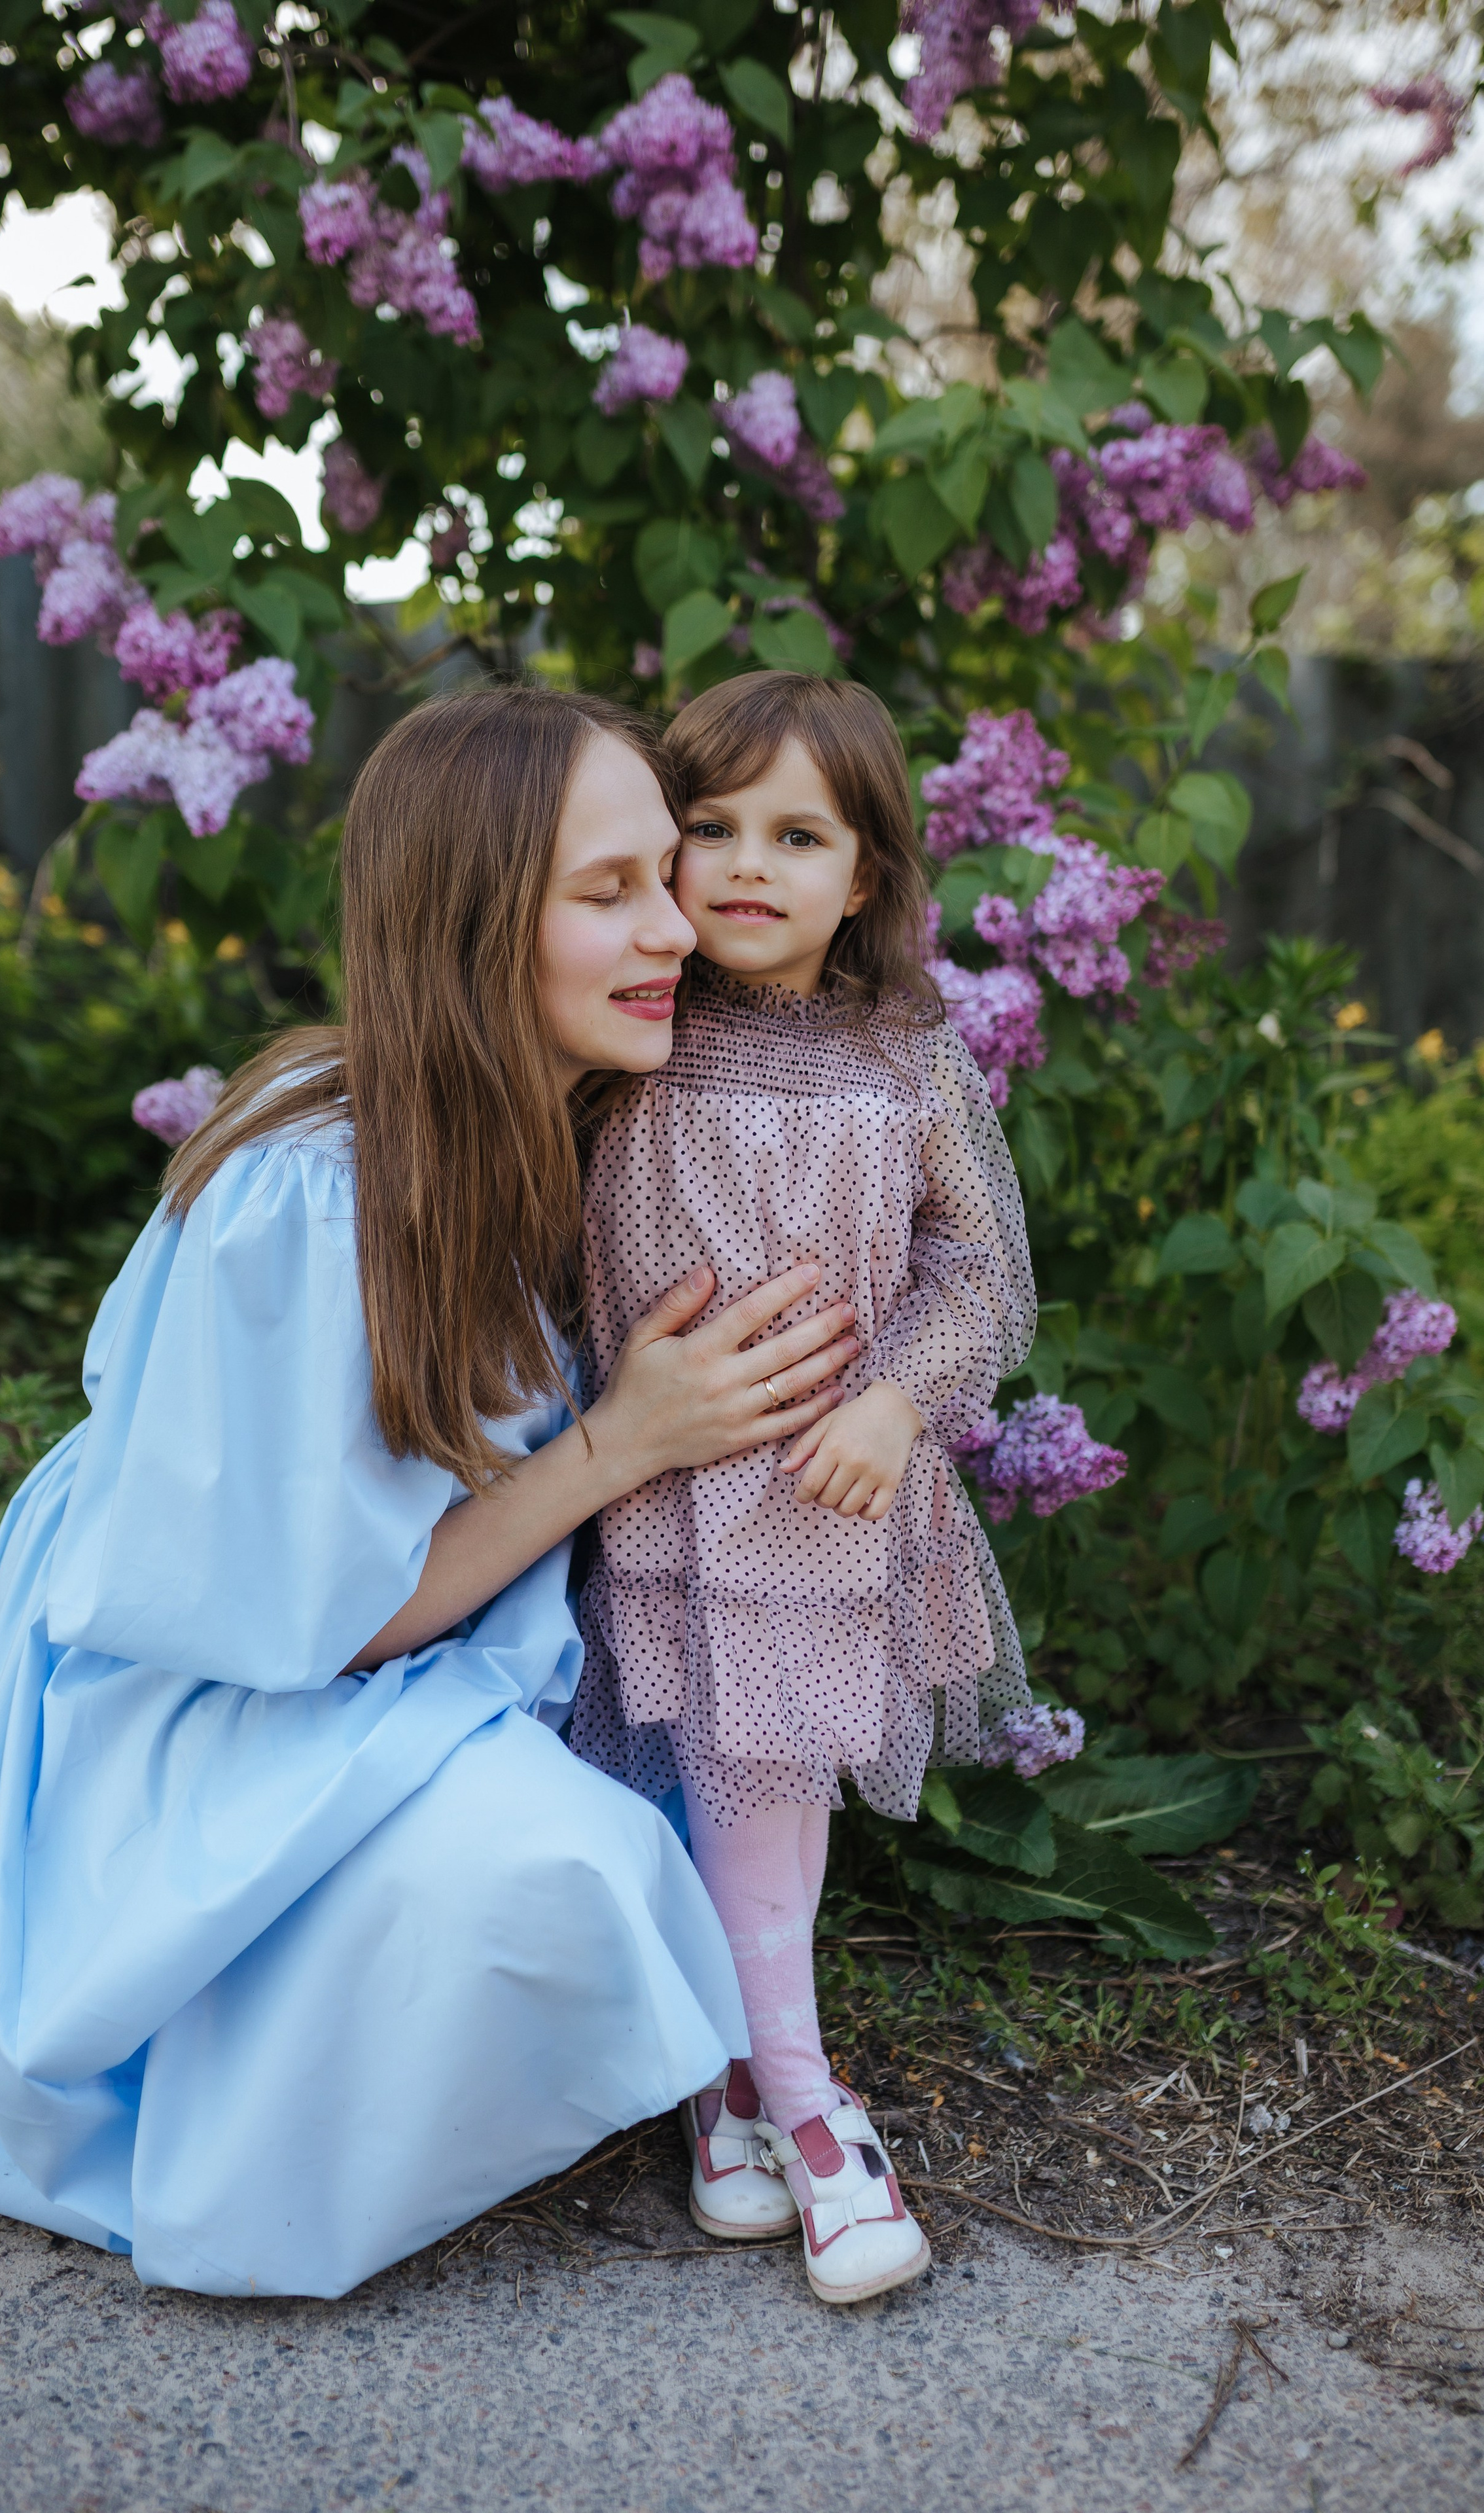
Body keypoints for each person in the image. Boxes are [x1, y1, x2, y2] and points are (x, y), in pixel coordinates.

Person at [0, 686, 862, 2300]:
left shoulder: (582, 1116)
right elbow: (316, 1619)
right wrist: (623, 1443)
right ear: (476, 924)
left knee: (637, 1834)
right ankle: (237, 2097)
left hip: (401, 1634)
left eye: (665, 873)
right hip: (208, 1678)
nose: (678, 930)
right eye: (606, 890)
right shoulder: (310, 1186)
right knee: (563, 1879)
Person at [571, 672, 1037, 2304]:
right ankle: (761, 2095)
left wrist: (902, 1407)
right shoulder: (629, 1032)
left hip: (816, 1495)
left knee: (766, 1790)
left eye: (798, 834)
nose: (748, 865)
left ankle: (769, 2092)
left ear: (865, 877)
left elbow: (976, 1278)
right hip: (645, 1487)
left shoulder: (908, 1065)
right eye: (710, 828)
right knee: (681, 1778)